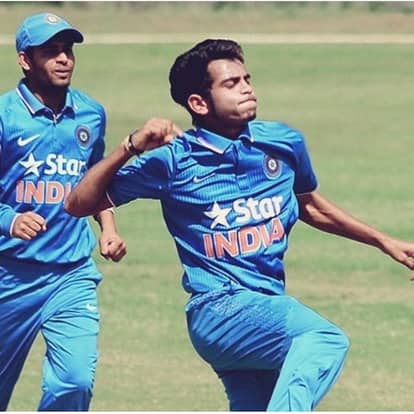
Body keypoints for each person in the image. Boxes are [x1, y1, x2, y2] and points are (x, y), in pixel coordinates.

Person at [65, 39, 414, 411]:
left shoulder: (282, 142)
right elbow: (78, 203)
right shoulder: (174, 161)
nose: (247, 88)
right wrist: (130, 147)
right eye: (231, 84)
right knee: (324, 339)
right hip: (218, 309)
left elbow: (309, 205)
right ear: (199, 103)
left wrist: (383, 241)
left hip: (265, 309)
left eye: (247, 79)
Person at [0, 12, 127, 411]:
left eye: (68, 50)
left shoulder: (90, 113)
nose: (63, 59)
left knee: (74, 382)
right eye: (51, 51)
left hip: (71, 274)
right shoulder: (4, 116)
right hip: (10, 276)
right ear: (25, 60)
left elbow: (94, 182)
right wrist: (9, 220)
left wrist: (108, 228)